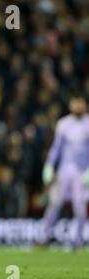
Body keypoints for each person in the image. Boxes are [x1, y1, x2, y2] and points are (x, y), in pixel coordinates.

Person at [41, 92, 89, 249]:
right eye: (74, 103)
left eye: (79, 103)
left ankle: (78, 242)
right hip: (64, 171)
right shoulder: (63, 124)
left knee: (79, 207)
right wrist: (49, 165)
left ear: (85, 105)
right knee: (54, 204)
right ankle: (44, 237)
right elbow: (56, 148)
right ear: (70, 105)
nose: (77, 106)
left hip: (82, 173)